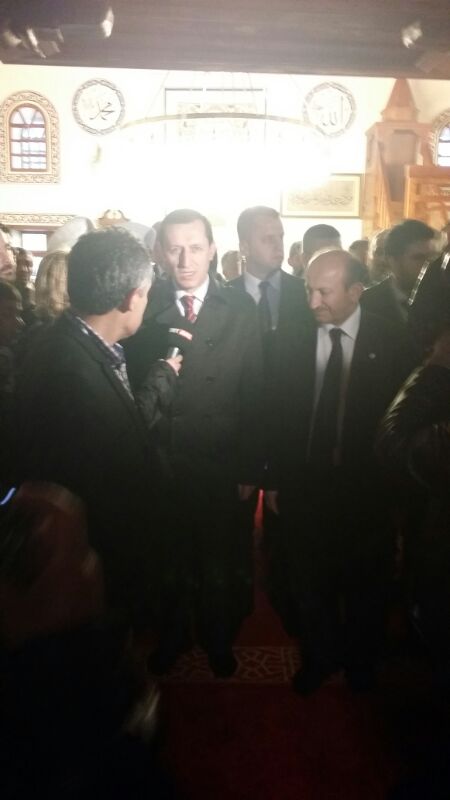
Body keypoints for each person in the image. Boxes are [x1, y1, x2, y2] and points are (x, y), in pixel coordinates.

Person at [125, 208, 264, 677]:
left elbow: (254, 389)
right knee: (168, 556)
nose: (185, 260)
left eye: (196, 248)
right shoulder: (141, 308)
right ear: (160, 253)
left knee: (219, 558)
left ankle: (218, 637)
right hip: (163, 460)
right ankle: (173, 634)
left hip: (220, 460)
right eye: (175, 248)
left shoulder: (241, 309)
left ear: (212, 250)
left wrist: (251, 466)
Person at [266, 249, 411, 694]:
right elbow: (275, 412)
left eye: (324, 292)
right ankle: (319, 658)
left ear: (356, 291)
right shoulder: (290, 335)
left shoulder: (393, 340)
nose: (313, 302)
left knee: (367, 582)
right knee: (309, 583)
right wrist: (275, 477)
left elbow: (404, 424)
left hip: (366, 487)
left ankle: (361, 663)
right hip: (304, 481)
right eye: (308, 290)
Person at [15, 227, 165, 626]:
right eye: (147, 294)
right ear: (132, 297)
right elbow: (89, 486)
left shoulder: (66, 341)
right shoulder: (70, 374)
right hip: (87, 574)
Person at [361, 219, 438, 329]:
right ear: (393, 260)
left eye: (433, 257)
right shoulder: (366, 303)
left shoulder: (442, 299)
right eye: (418, 258)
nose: (428, 264)